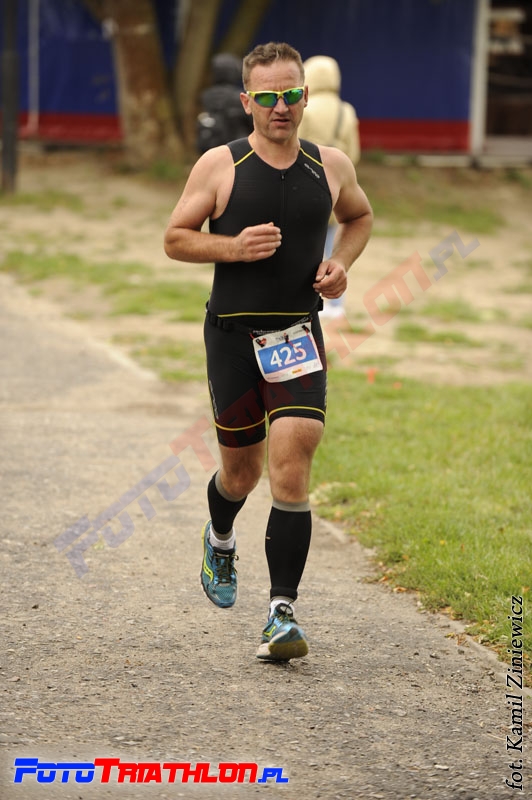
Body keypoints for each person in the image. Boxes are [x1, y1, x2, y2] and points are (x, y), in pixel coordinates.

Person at [164, 41, 372, 661]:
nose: (281, 107)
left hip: (296, 336)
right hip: (231, 337)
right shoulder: (220, 165)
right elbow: (175, 238)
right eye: (268, 97)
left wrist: (341, 263)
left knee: (292, 462)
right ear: (247, 101)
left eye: (291, 95)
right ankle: (220, 536)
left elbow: (359, 218)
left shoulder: (330, 165)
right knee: (241, 473)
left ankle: (282, 613)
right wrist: (233, 248)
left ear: (305, 97)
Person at [299, 55, 360, 320]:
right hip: (338, 186)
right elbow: (354, 153)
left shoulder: (305, 109)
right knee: (335, 249)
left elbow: (293, 148)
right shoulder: (347, 111)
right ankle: (337, 303)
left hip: (305, 185)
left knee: (305, 247)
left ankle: (306, 300)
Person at [196, 53, 253, 153]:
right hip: (236, 148)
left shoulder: (206, 96)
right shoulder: (239, 97)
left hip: (211, 150)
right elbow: (252, 123)